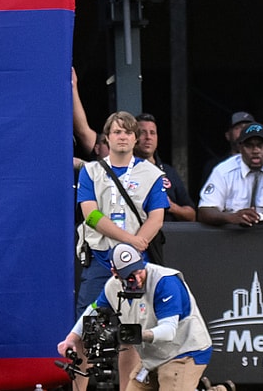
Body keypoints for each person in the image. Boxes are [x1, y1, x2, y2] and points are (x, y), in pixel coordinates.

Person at [58, 243, 212, 391]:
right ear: (115, 273)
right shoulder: (112, 286)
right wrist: (71, 338)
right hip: (152, 357)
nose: (137, 279)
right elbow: (93, 309)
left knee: (170, 378)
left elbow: (169, 331)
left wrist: (135, 334)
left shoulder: (165, 282)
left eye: (138, 271)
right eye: (129, 275)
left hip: (184, 352)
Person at [75, 111, 169, 321]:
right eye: (117, 131)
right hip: (101, 257)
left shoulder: (152, 174)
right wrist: (130, 240)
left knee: (135, 325)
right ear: (107, 137)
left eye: (128, 132)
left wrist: (133, 248)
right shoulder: (91, 171)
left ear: (135, 138)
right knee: (88, 321)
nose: (123, 136)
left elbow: (157, 218)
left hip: (136, 260)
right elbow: (90, 215)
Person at [199, 122, 263, 226]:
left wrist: (258, 217)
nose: (256, 150)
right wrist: (232, 217)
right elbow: (205, 211)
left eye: (261, 145)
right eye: (249, 146)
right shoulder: (223, 170)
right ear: (240, 148)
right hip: (232, 237)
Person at [135, 113, 196, 222]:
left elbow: (191, 214)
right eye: (142, 133)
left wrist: (172, 207)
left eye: (152, 133)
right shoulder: (123, 170)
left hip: (169, 234)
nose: (148, 137)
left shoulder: (169, 172)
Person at [201, 111, 255, 185]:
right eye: (237, 128)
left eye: (247, 127)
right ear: (228, 135)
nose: (243, 132)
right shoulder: (215, 167)